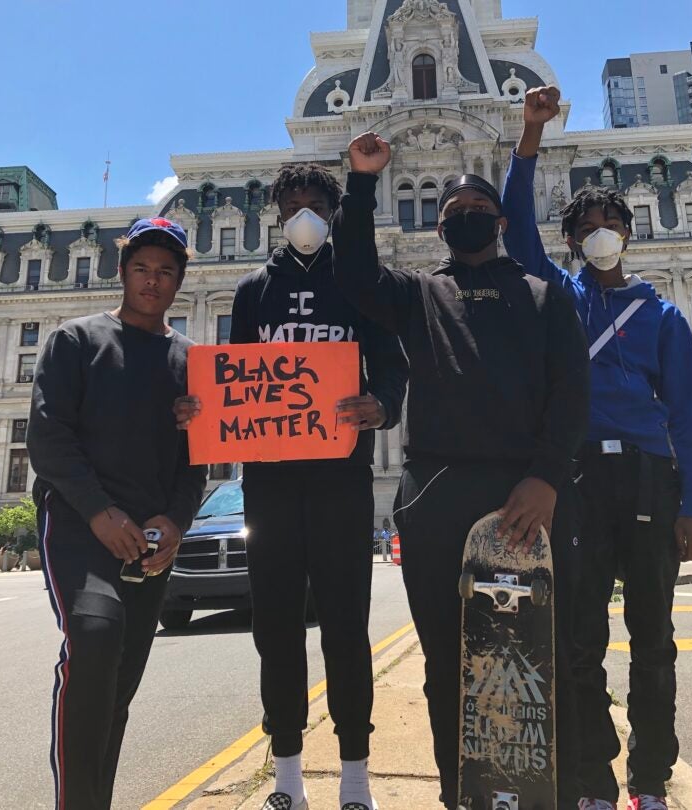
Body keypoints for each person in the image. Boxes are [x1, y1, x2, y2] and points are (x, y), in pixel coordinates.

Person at [332, 132, 590, 809]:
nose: (463, 215)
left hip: (525, 494)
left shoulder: (542, 295)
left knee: (539, 658)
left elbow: (571, 391)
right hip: (437, 495)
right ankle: (460, 794)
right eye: (452, 210)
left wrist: (547, 476)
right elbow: (355, 275)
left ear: (500, 223)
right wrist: (361, 183)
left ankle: (546, 796)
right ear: (442, 226)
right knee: (448, 663)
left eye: (477, 205)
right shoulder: (418, 296)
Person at [501, 86, 692, 810]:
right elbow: (516, 230)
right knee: (580, 639)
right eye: (587, 226)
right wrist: (531, 133)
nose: (599, 234)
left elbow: (689, 415)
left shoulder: (663, 316)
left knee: (654, 641)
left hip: (652, 479)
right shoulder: (564, 296)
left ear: (627, 233)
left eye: (609, 223)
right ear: (572, 243)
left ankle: (649, 782)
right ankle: (593, 779)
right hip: (581, 480)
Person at [177, 163, 408, 810]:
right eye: (293, 203)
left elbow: (392, 367)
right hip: (271, 485)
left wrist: (380, 405)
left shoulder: (360, 284)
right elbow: (238, 382)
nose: (304, 214)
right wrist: (207, 408)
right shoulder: (254, 291)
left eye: (315, 203)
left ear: (333, 212)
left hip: (341, 477)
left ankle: (356, 777)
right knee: (275, 626)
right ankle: (286, 775)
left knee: (345, 625)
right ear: (277, 213)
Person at [27, 218, 208, 810]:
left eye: (165, 271)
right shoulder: (75, 341)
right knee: (95, 640)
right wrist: (100, 512)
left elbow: (195, 462)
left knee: (119, 684)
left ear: (179, 281)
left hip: (151, 540)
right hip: (80, 526)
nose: (152, 281)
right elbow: (49, 440)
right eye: (141, 268)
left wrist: (177, 522)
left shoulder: (189, 362)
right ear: (122, 270)